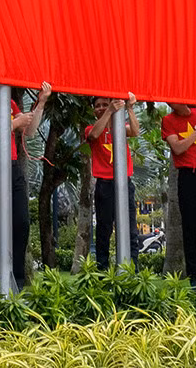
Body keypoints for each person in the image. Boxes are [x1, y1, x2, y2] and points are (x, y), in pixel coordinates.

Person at [0, 80, 52, 285]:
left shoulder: (10, 103)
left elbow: (29, 130)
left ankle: (18, 279)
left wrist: (40, 104)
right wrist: (14, 122)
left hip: (11, 167)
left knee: (21, 222)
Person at [160, 102, 196, 284]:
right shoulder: (168, 120)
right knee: (190, 227)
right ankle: (195, 277)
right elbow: (177, 148)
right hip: (187, 176)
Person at [85, 96, 140, 265]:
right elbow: (94, 135)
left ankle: (133, 268)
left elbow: (135, 132)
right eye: (98, 106)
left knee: (131, 228)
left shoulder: (120, 128)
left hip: (124, 182)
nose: (101, 108)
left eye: (105, 104)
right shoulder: (90, 128)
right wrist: (109, 111)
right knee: (104, 228)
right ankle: (103, 269)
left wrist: (129, 109)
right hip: (104, 183)